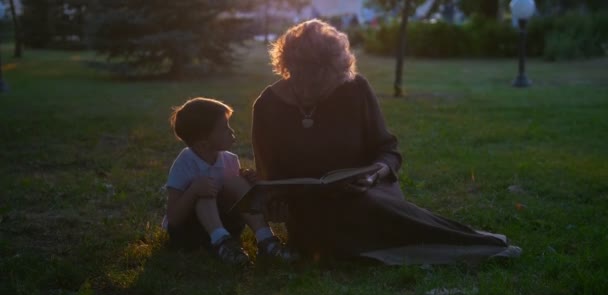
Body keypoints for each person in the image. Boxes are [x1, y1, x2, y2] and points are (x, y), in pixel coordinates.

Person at [251, 20, 521, 265]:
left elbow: (387, 150)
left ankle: (472, 242)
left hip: (369, 192)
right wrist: (277, 204)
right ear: (290, 69)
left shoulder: (354, 88)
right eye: (312, 84)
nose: (322, 92)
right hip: (313, 209)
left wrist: (374, 175)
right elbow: (270, 178)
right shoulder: (267, 106)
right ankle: (467, 245)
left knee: (365, 208)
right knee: (330, 230)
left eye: (329, 84)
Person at [163, 97, 297, 265]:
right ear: (204, 144)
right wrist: (193, 191)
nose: (232, 132)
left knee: (236, 182)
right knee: (204, 191)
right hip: (190, 232)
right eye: (224, 129)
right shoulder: (184, 163)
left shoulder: (229, 160)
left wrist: (250, 183)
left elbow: (233, 197)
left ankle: (266, 239)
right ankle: (221, 243)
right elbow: (174, 218)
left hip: (227, 226)